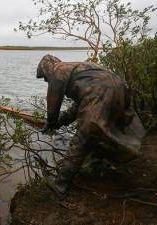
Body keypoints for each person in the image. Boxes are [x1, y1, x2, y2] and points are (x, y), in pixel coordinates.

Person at [36, 54, 146, 197]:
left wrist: (51, 122)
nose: (46, 80)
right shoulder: (78, 69)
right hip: (120, 89)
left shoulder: (58, 70)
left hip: (101, 92)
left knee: (83, 137)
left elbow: (53, 104)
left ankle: (60, 184)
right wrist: (60, 122)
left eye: (45, 77)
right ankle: (100, 162)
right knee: (101, 130)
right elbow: (79, 106)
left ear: (47, 68)